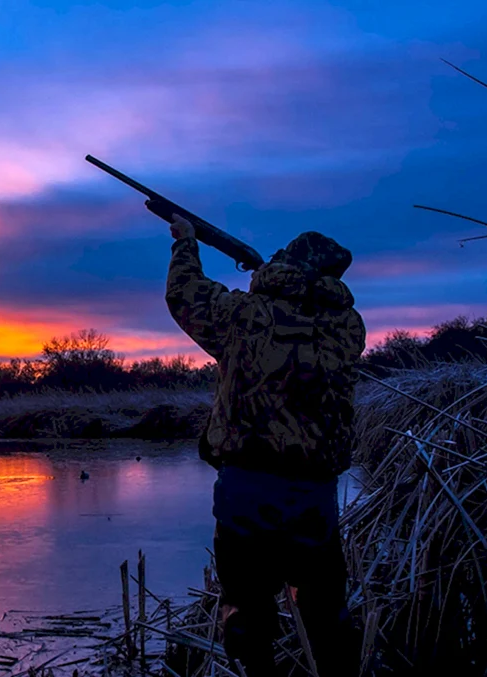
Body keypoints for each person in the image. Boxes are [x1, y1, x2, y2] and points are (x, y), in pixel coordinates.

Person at [164, 213, 366, 676]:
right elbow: (296, 319)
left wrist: (186, 242)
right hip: (314, 493)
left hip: (246, 488)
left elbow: (185, 295)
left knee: (246, 606)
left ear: (285, 264)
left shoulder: (244, 315)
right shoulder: (349, 327)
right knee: (324, 609)